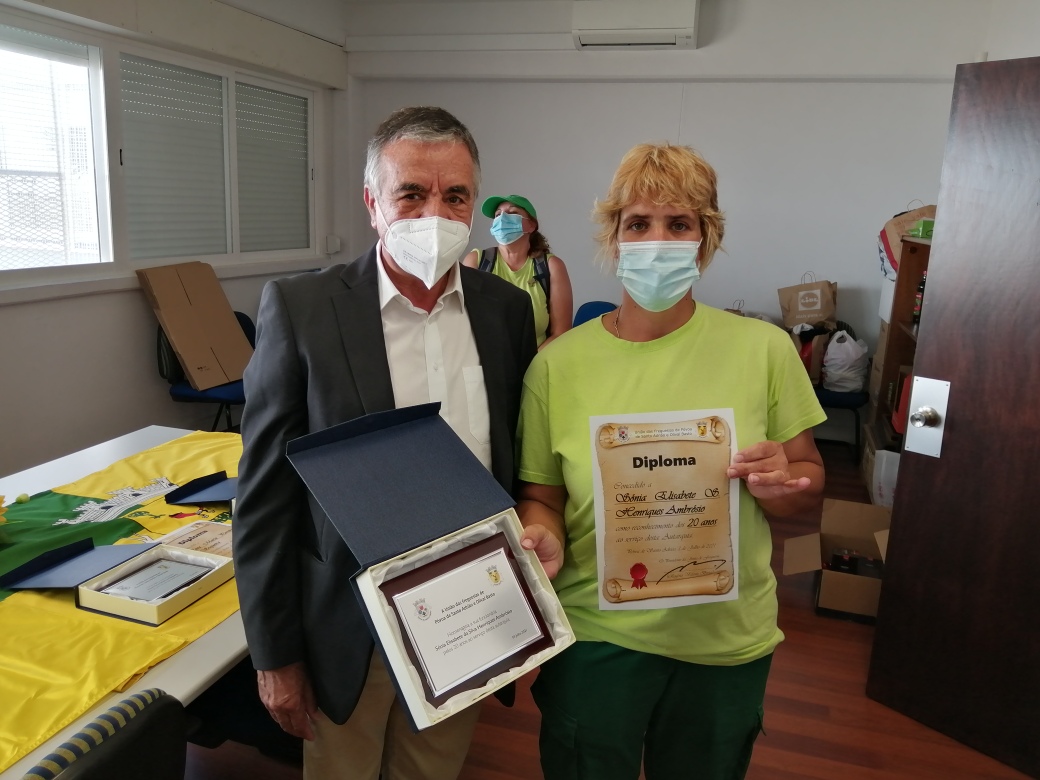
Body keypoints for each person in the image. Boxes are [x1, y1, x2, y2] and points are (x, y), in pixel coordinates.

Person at [233, 106, 537, 780]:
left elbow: (513, 458)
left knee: (432, 771)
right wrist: (274, 654)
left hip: (470, 609)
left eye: (455, 196)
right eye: (412, 193)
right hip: (349, 620)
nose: (436, 213)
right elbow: (263, 497)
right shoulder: (303, 310)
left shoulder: (505, 310)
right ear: (373, 204)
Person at [516, 142, 826, 780]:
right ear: (614, 238)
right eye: (638, 223)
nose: (657, 240)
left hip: (723, 636)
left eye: (679, 223)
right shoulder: (557, 367)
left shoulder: (765, 349)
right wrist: (542, 532)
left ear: (705, 240)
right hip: (598, 633)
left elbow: (808, 478)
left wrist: (783, 483)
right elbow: (542, 495)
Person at [463, 194, 573, 348]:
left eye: (512, 212)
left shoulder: (551, 266)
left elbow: (561, 332)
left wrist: (531, 362)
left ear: (531, 225)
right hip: (486, 360)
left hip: (538, 359)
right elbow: (462, 324)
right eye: (497, 214)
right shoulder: (477, 261)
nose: (502, 218)